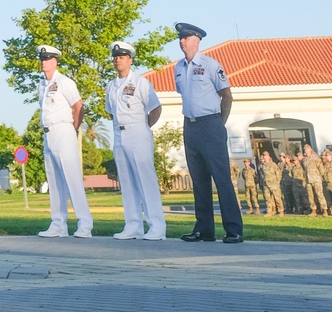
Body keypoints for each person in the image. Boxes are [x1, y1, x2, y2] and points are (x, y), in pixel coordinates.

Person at [172, 23, 244, 244]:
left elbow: (227, 96)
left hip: (211, 124)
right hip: (190, 125)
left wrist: (219, 124)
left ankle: (233, 229)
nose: (182, 41)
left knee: (221, 178)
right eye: (180, 38)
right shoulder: (179, 67)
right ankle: (204, 229)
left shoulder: (211, 65)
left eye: (186, 37)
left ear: (197, 39)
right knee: (199, 180)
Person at [103, 41, 166, 241]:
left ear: (130, 59)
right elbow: (111, 112)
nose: (117, 60)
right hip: (119, 134)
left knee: (145, 180)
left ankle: (157, 226)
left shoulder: (140, 83)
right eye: (115, 57)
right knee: (127, 181)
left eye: (121, 56)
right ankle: (132, 225)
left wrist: (144, 128)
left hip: (138, 131)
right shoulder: (111, 86)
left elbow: (156, 108)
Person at [35, 46, 93, 238]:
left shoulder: (64, 82)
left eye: (47, 58)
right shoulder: (42, 85)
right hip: (48, 132)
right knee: (54, 181)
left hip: (63, 130)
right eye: (42, 58)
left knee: (72, 179)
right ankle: (58, 223)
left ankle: (85, 224)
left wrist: (73, 128)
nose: (44, 62)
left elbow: (78, 106)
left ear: (55, 61)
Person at [302, 144, 329, 217]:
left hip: (316, 179)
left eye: (307, 149)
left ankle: (324, 210)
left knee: (319, 194)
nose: (305, 150)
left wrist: (320, 178)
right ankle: (313, 210)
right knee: (311, 196)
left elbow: (321, 169)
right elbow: (304, 170)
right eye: (304, 149)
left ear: (310, 149)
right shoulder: (304, 159)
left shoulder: (315, 158)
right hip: (308, 180)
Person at [260, 152, 284, 216]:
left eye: (265, 156)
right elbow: (262, 175)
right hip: (266, 184)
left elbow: (278, 174)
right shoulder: (262, 165)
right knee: (268, 199)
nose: (264, 157)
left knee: (277, 198)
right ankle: (269, 211)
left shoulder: (273, 165)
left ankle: (281, 211)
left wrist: (277, 182)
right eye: (264, 156)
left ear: (268, 156)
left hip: (274, 184)